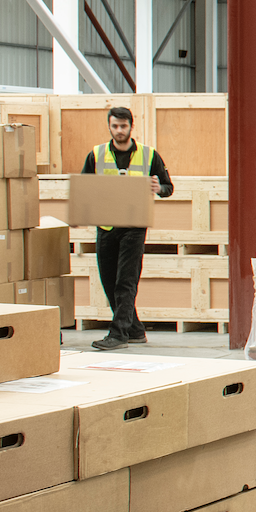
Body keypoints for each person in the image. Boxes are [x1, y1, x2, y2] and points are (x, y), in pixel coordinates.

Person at [84, 106, 174, 350]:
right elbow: (85, 186)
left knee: (126, 280)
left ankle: (118, 333)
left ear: (131, 126)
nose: (119, 130)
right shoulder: (96, 154)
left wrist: (159, 188)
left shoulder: (149, 155)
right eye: (115, 126)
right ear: (109, 126)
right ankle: (135, 329)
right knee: (109, 280)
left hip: (134, 225)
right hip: (106, 225)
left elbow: (168, 187)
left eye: (123, 126)